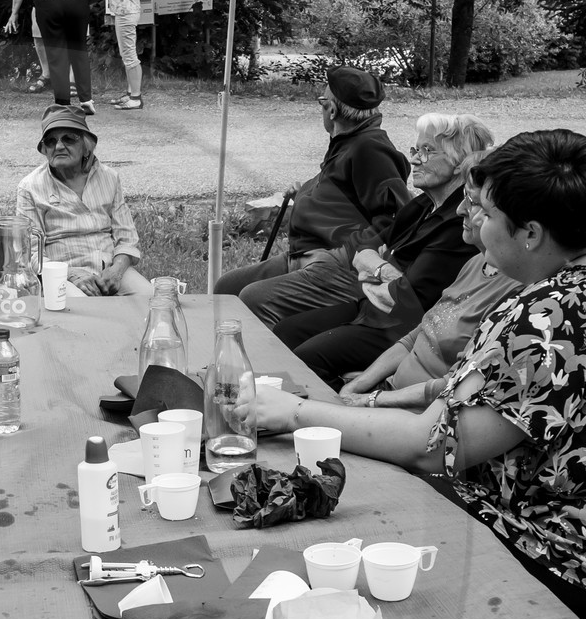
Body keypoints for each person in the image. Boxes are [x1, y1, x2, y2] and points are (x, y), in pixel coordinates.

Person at [251, 130, 586, 619]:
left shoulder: (550, 319)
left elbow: (430, 448)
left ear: (530, 233)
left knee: (355, 517)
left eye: (486, 215)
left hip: (573, 565)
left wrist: (294, 414)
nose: (478, 229)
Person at [274, 114, 495, 380]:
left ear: (459, 163)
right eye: (415, 150)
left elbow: (406, 299)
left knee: (309, 357)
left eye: (427, 152)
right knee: (286, 331)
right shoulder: (421, 206)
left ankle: (337, 412)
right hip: (369, 310)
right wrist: (382, 268)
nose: (414, 159)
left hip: (396, 329)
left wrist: (374, 266)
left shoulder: (455, 225)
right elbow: (363, 249)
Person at [214, 66, 409, 306]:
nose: (321, 109)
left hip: (332, 263)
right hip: (303, 255)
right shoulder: (348, 142)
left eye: (321, 102)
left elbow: (396, 218)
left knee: (253, 299)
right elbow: (345, 193)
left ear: (333, 110)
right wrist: (306, 192)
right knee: (227, 287)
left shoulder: (370, 150)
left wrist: (348, 254)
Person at [337, 178, 521, 409]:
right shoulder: (476, 262)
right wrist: (358, 386)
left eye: (474, 203)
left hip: (416, 415)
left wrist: (371, 400)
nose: (460, 209)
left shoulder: (517, 293)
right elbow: (416, 336)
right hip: (389, 391)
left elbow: (454, 385)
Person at [14, 105, 151, 297]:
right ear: (45, 149)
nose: (59, 146)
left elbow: (127, 238)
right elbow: (29, 254)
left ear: (86, 146)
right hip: (61, 273)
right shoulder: (30, 186)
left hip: (110, 268)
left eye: (69, 139)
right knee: (80, 307)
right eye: (51, 141)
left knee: (149, 298)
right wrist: (69, 273)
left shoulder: (109, 177)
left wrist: (117, 271)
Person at [101, 0, 143, 110]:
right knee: (126, 52)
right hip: (124, 6)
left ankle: (136, 98)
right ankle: (130, 93)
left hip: (127, 7)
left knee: (129, 54)